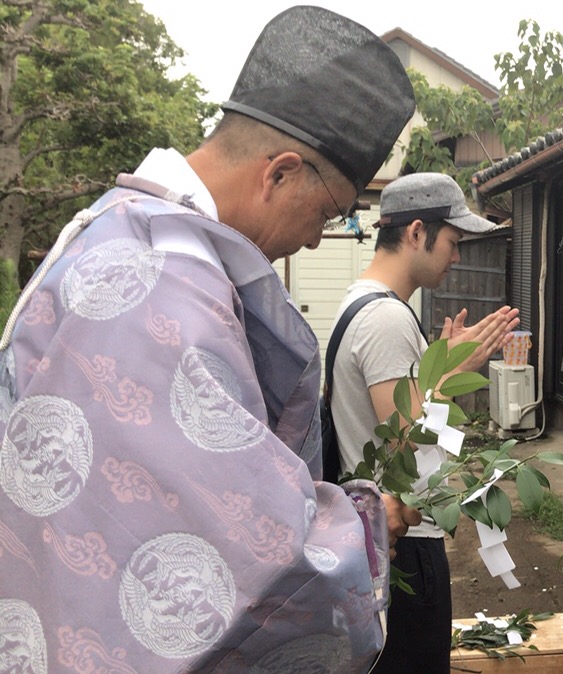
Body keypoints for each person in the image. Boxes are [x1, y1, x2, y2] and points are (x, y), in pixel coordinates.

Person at [0, 7, 416, 672]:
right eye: (329, 213)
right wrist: (365, 528)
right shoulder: (165, 283)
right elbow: (249, 554)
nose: (317, 240)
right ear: (279, 173)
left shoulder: (121, 230)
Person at [329, 172, 520, 673]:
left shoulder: (363, 302)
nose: (456, 256)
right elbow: (404, 442)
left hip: (386, 535)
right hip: (403, 545)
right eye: (453, 241)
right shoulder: (386, 319)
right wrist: (454, 371)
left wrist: (438, 362)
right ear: (417, 232)